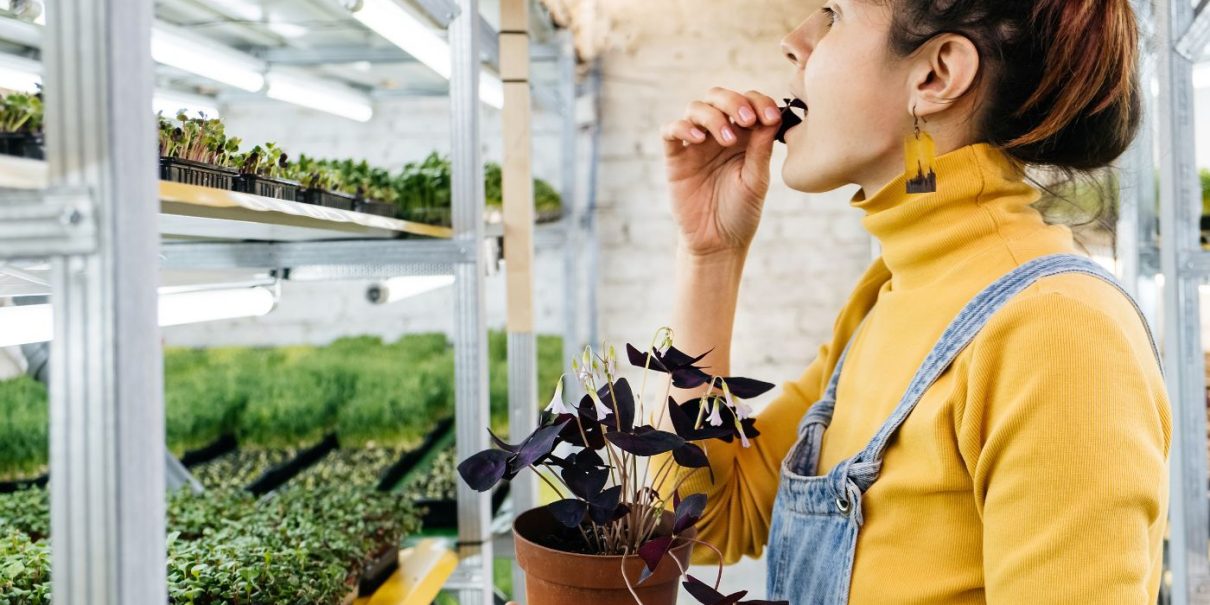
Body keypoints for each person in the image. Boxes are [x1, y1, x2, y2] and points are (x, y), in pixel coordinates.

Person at [654, 0, 1170, 603]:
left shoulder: (1059, 331)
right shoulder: (886, 294)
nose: (795, 41)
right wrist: (710, 257)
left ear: (936, 75)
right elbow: (707, 515)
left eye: (833, 14)